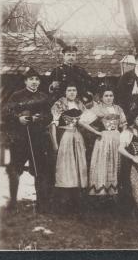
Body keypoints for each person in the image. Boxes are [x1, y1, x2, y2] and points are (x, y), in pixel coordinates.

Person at [4, 67, 53, 212]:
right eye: (31, 79)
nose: (34, 82)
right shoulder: (16, 96)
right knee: (15, 169)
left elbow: (49, 116)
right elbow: (6, 113)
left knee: (40, 171)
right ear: (26, 81)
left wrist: (39, 118)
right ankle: (13, 202)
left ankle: (41, 203)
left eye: (37, 79)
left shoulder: (43, 96)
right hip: (20, 139)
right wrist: (18, 119)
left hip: (38, 139)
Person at [79, 87, 127, 202]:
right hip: (104, 139)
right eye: (106, 96)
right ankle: (102, 193)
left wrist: (123, 134)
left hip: (117, 137)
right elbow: (81, 121)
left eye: (111, 95)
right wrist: (96, 132)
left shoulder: (118, 108)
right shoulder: (98, 108)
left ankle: (114, 193)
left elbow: (124, 123)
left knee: (117, 163)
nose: (109, 98)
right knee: (104, 164)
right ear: (101, 98)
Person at [49, 82, 88, 215]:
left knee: (78, 167)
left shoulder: (80, 104)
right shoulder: (59, 104)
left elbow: (87, 120)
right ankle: (63, 204)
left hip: (77, 136)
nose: (72, 93)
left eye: (74, 90)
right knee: (66, 167)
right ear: (65, 92)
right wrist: (55, 143)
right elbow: (53, 124)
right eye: (69, 90)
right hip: (64, 137)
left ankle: (76, 203)